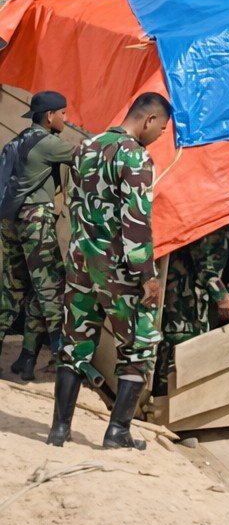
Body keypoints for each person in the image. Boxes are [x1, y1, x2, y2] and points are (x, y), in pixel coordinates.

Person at [48, 93, 172, 450]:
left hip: (81, 261)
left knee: (74, 344)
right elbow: (136, 221)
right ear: (148, 120)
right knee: (140, 345)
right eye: (161, 129)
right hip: (118, 269)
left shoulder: (86, 146)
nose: (160, 136)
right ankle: (117, 431)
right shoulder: (135, 156)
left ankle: (59, 430)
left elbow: (75, 204)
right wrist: (147, 275)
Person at [0, 91, 75, 381]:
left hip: (8, 222)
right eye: (64, 114)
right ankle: (60, 358)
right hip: (35, 221)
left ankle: (26, 361)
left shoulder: (14, 142)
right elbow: (86, 155)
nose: (66, 120)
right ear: (50, 116)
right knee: (51, 290)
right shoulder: (49, 143)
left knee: (13, 288)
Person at [152, 226, 229, 396]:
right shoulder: (216, 220)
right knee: (181, 343)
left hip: (177, 290)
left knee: (172, 341)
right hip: (186, 296)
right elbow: (206, 266)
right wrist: (222, 295)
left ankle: (163, 398)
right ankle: (165, 400)